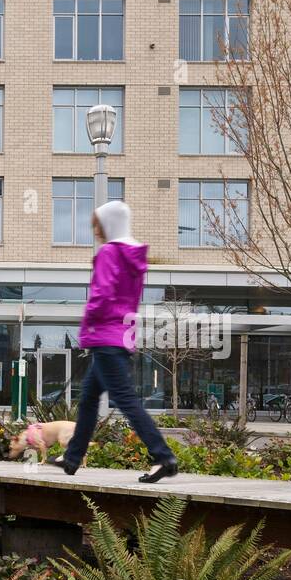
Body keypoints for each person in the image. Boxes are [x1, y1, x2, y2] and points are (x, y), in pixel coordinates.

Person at [52, 198, 178, 484]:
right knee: (88, 399)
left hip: (105, 336)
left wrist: (87, 326)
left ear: (109, 224)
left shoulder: (110, 253)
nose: (97, 232)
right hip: (120, 335)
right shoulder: (133, 257)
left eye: (98, 226)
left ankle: (163, 455)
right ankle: (72, 458)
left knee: (125, 400)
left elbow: (102, 295)